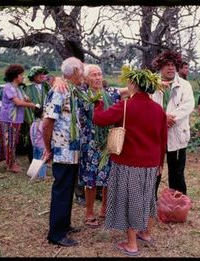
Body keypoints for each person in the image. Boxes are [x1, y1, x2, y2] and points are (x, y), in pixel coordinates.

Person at [93, 67, 167, 256]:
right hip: (151, 163)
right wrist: (160, 163)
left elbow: (100, 119)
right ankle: (146, 233)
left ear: (133, 85)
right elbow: (162, 139)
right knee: (148, 197)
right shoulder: (159, 109)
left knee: (129, 201)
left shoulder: (125, 106)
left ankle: (132, 244)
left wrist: (99, 104)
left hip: (128, 162)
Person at [42, 57, 84, 247]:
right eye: (81, 71)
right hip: (63, 150)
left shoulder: (71, 89)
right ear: (75, 71)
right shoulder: (59, 91)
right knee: (62, 190)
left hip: (72, 150)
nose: (83, 74)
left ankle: (64, 224)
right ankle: (56, 234)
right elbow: (47, 123)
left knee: (68, 190)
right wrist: (48, 148)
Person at [79, 64, 122, 228]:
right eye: (93, 75)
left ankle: (105, 208)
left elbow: (126, 91)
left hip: (107, 141)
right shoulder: (82, 95)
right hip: (90, 142)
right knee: (91, 178)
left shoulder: (110, 93)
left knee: (108, 175)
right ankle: (89, 212)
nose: (97, 77)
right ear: (86, 78)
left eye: (99, 74)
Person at [151, 50, 195, 196]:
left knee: (176, 171)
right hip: (155, 133)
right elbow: (147, 105)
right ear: (160, 67)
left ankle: (178, 202)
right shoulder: (151, 84)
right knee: (153, 169)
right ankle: (150, 203)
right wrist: (162, 118)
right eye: (166, 65)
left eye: (173, 65)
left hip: (177, 133)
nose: (170, 68)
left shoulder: (184, 85)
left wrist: (171, 118)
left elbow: (188, 105)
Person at [0, 64, 36, 173]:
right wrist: (32, 105)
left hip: (16, 119)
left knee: (13, 141)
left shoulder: (19, 89)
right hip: (8, 119)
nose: (23, 76)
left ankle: (12, 162)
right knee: (10, 142)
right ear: (15, 76)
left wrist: (28, 100)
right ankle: (10, 165)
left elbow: (25, 99)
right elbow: (17, 102)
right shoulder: (9, 87)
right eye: (21, 75)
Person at [22, 66, 51, 163]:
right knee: (33, 140)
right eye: (39, 74)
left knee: (45, 139)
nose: (42, 76)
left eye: (43, 73)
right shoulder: (27, 88)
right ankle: (33, 161)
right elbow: (25, 104)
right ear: (33, 76)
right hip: (32, 118)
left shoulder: (46, 86)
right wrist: (30, 119)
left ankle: (44, 160)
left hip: (45, 117)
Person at [29, 107, 47, 180]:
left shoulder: (33, 123)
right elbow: (44, 133)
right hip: (41, 145)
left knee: (35, 159)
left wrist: (33, 143)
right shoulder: (42, 123)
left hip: (35, 145)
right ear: (42, 114)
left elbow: (31, 134)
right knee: (42, 160)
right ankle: (42, 176)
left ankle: (33, 173)